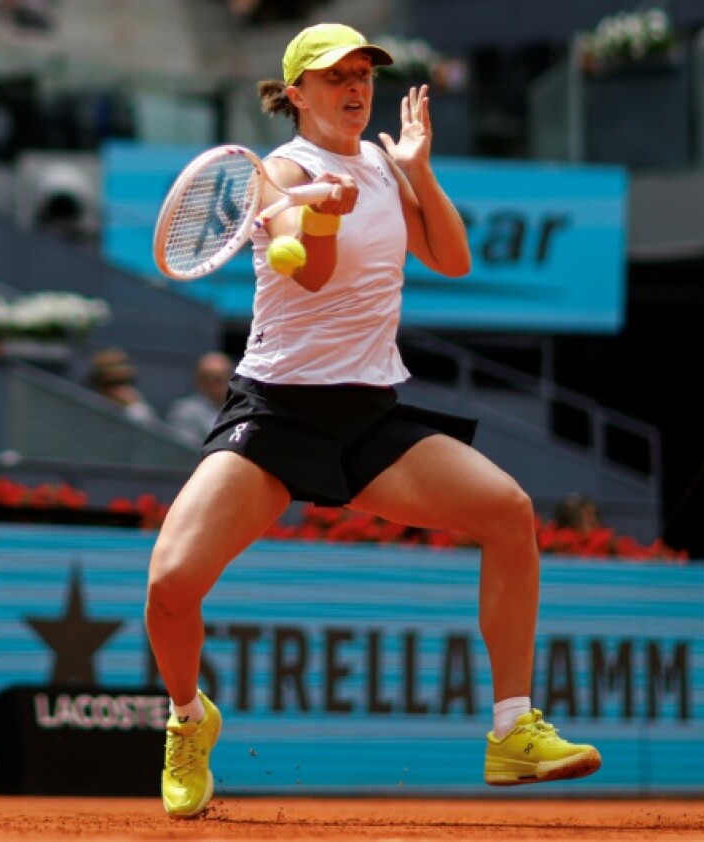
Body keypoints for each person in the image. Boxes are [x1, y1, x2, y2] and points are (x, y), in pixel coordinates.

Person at [143, 22, 600, 820]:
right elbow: (310, 272)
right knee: (170, 588)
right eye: (335, 76)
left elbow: (452, 259)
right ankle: (187, 718)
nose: (355, 88)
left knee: (509, 512)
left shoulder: (386, 167)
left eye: (363, 74)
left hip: (369, 411)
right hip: (277, 412)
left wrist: (418, 172)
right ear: (296, 95)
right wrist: (315, 218)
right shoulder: (278, 173)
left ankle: (512, 730)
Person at [165, 351, 234, 447]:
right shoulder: (185, 412)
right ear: (198, 381)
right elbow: (185, 450)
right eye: (208, 378)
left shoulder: (242, 410)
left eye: (224, 377)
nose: (215, 384)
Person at [86, 347, 159, 424]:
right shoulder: (88, 403)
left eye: (125, 382)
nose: (121, 390)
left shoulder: (136, 404)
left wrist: (133, 406)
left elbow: (149, 427)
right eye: (113, 383)